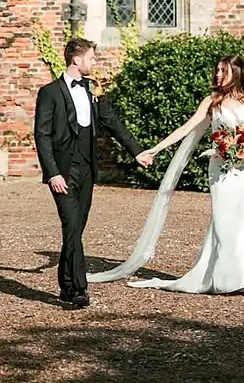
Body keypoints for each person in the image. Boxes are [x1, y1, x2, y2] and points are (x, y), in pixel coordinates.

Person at [88, 53, 244, 295]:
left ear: (237, 72)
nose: (218, 75)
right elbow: (185, 129)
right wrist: (155, 149)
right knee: (223, 220)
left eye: (224, 70)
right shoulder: (212, 102)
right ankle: (223, 277)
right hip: (220, 169)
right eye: (217, 70)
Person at [34, 36, 153, 309]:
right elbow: (42, 136)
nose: (94, 62)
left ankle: (65, 285)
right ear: (76, 59)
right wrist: (52, 173)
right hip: (63, 173)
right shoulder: (49, 93)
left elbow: (113, 124)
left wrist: (137, 152)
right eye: (92, 58)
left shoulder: (93, 92)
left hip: (87, 171)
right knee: (72, 225)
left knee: (76, 229)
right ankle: (78, 289)